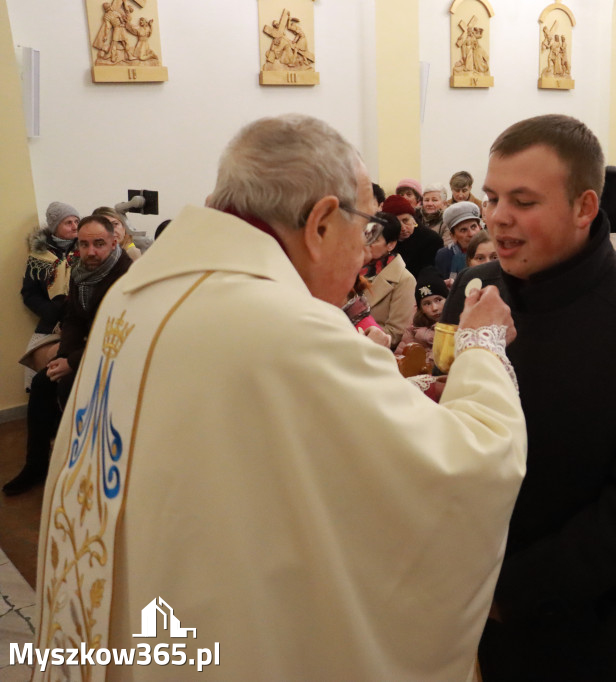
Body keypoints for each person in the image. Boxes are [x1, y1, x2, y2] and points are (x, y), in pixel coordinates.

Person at [34, 114, 528, 680]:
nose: (367, 251)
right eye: (365, 225)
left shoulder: (137, 297)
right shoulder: (285, 329)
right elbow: (466, 464)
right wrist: (482, 344)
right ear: (320, 222)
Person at [434, 113, 616, 681]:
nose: (497, 217)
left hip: (590, 634)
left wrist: (506, 592)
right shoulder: (478, 291)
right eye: (491, 197)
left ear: (585, 208)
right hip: (469, 619)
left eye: (524, 201)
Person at [5, 214, 132, 495]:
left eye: (99, 244)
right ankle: (35, 466)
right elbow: (74, 318)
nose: (91, 251)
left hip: (118, 354)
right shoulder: (80, 271)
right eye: (84, 244)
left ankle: (80, 471)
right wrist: (64, 357)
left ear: (114, 242)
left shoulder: (127, 275)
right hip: (85, 347)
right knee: (42, 382)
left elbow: (120, 331)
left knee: (68, 385)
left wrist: (73, 362)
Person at [20, 202, 79, 388]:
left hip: (80, 318)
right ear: (55, 227)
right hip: (52, 320)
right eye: (68, 222)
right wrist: (50, 310)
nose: (74, 226)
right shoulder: (39, 256)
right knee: (36, 364)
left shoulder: (86, 249)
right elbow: (29, 293)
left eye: (77, 221)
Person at [363, 205, 416, 348]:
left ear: (391, 245)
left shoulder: (404, 279)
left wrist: (357, 336)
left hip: (373, 351)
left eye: (374, 240)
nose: (365, 243)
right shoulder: (352, 268)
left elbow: (395, 333)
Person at [395, 267, 448, 366]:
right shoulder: (413, 327)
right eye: (427, 303)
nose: (434, 308)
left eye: (438, 300)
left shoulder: (457, 325)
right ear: (420, 308)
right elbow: (401, 358)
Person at [386, 193, 443, 277]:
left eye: (406, 220)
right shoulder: (383, 240)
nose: (403, 228)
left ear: (413, 219)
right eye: (396, 223)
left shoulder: (431, 240)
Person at [434, 200, 483, 282]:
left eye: (473, 227)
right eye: (463, 230)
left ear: (480, 227)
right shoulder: (444, 256)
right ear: (453, 236)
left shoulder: (493, 250)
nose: (471, 234)